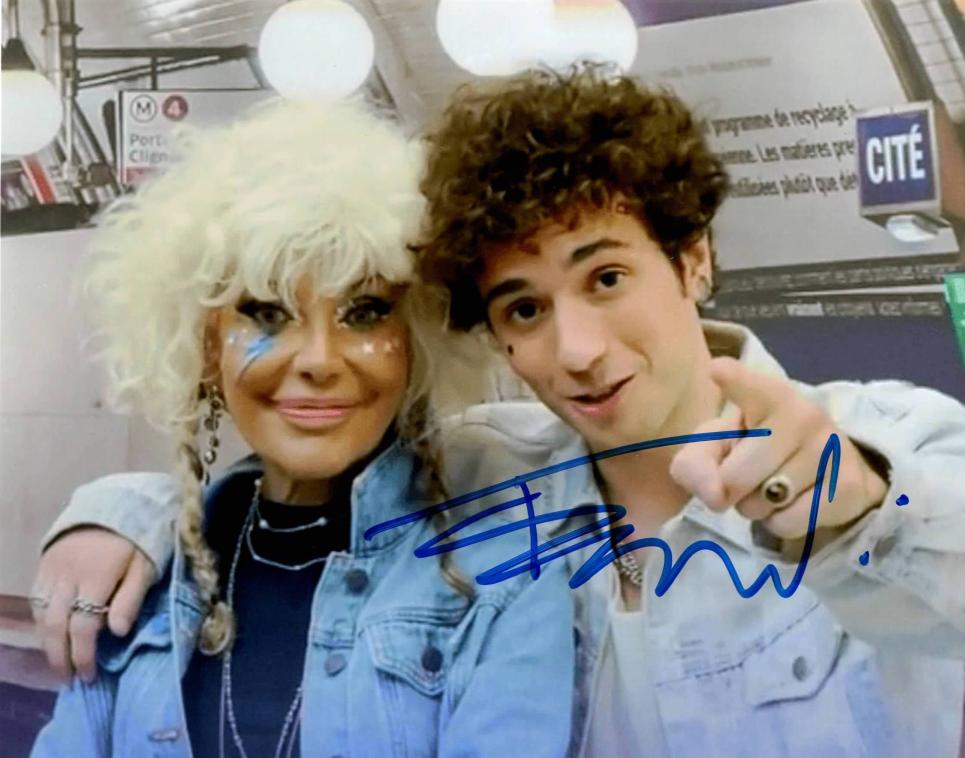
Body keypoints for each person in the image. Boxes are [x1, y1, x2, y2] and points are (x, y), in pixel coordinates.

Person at [34, 67, 965, 756]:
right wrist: (120, 513)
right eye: (523, 308)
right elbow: (303, 454)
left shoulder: (888, 432)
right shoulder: (483, 467)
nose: (576, 348)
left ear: (693, 259)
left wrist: (846, 506)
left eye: (606, 276)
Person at [29, 98, 573, 758]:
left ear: (418, 339)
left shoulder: (506, 576)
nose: (319, 359)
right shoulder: (140, 578)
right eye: (266, 312)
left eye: (365, 312)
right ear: (206, 345)